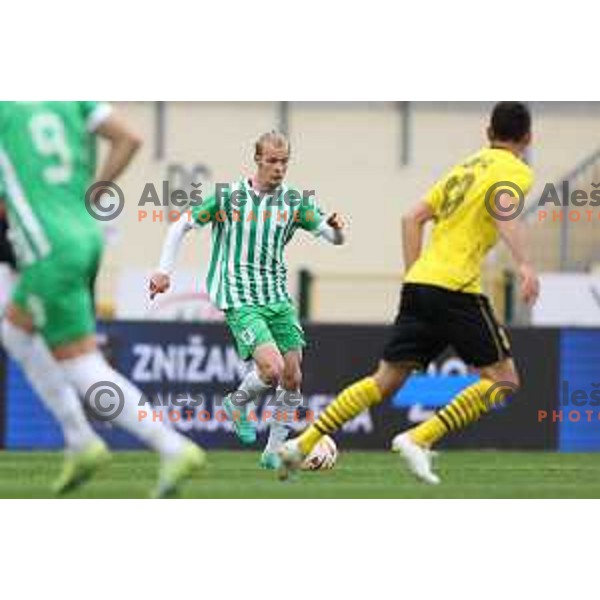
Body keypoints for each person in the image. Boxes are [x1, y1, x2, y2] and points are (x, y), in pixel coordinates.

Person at [278, 101, 540, 484]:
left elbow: (411, 217)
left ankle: (304, 442)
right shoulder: (515, 170)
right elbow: (504, 209)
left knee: (384, 380)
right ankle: (419, 437)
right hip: (457, 286)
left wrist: (414, 274)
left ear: (488, 133)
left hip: (420, 283)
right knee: (502, 380)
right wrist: (525, 265)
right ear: (528, 138)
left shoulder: (464, 167)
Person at [0, 101, 204, 497]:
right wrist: (93, 192)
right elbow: (129, 138)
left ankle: (168, 446)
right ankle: (80, 439)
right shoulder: (71, 99)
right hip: (85, 232)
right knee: (15, 329)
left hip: (47, 249)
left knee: (82, 364)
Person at [150, 132, 345, 468]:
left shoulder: (295, 202)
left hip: (277, 296)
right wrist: (163, 271)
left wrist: (337, 229)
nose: (279, 168)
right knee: (272, 369)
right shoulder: (229, 198)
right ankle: (237, 404)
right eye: (272, 161)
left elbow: (333, 238)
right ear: (257, 159)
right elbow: (179, 226)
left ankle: (273, 451)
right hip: (240, 296)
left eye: (284, 162)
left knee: (293, 377)